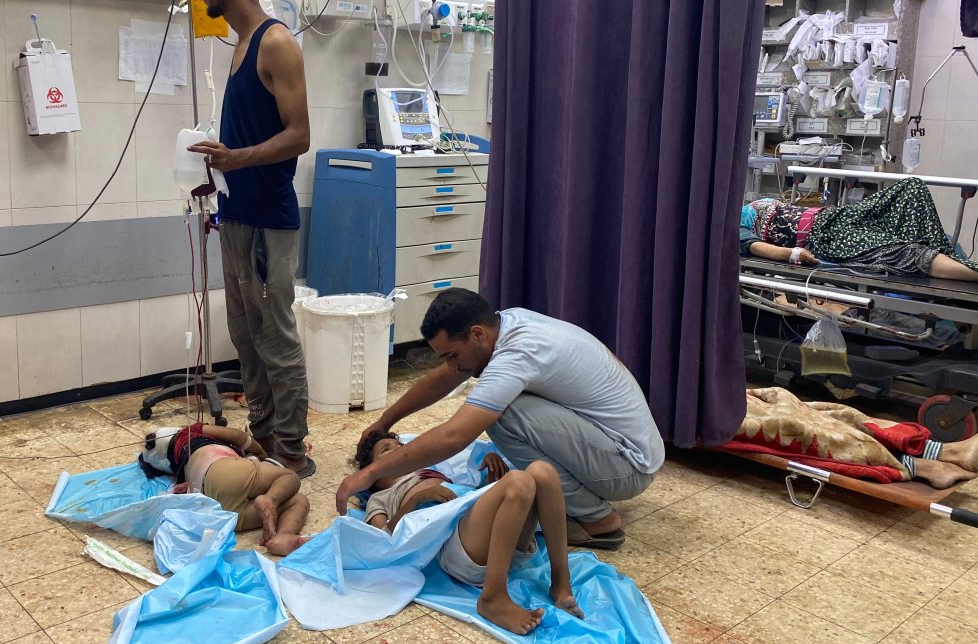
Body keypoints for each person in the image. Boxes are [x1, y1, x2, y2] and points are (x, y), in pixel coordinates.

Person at [336, 288, 666, 550]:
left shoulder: (517, 353)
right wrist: (385, 421)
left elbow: (455, 437)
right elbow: (443, 379)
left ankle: (597, 521)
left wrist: (371, 472)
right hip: (619, 446)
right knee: (499, 402)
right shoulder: (507, 324)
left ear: (477, 333)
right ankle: (580, 499)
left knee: (501, 414)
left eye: (452, 355)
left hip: (627, 466)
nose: (451, 366)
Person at [188, 0, 314, 477]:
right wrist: (217, 169)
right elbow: (244, 139)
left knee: (275, 337)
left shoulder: (276, 43)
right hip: (235, 212)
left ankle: (291, 450)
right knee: (244, 334)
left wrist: (237, 159)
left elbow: (299, 135)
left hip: (269, 220)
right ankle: (261, 436)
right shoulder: (238, 46)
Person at [355, 432, 583, 635]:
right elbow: (382, 541)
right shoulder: (381, 497)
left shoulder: (434, 472)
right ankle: (493, 597)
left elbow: (470, 503)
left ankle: (561, 584)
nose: (397, 450)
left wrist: (490, 478)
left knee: (542, 471)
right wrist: (416, 499)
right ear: (373, 477)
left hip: (496, 543)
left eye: (399, 445)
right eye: (386, 450)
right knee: (519, 481)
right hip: (453, 549)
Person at [740, 178, 978, 283]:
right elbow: (753, 246)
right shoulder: (729, 225)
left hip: (836, 216)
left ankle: (943, 258)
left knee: (911, 188)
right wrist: (792, 253)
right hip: (825, 238)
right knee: (905, 252)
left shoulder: (746, 204)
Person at [732, 387, 978, 489]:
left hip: (725, 394)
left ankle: (940, 451)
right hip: (702, 410)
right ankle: (924, 465)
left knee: (830, 412)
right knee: (793, 427)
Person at [138, 423, 309, 556]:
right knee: (289, 479)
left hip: (220, 507)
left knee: (296, 501)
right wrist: (260, 452)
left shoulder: (180, 468)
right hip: (223, 468)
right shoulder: (189, 431)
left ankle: (282, 538)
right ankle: (271, 501)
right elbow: (238, 435)